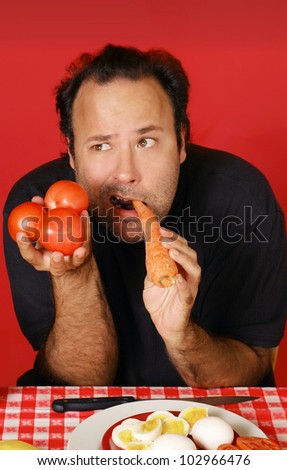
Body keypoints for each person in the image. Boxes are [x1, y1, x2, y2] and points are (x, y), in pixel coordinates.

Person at [3, 44, 287, 387]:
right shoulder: (37, 214)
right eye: (101, 145)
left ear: (181, 141)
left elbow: (253, 374)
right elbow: (77, 382)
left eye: (146, 142)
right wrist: (73, 276)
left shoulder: (242, 199)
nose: (125, 174)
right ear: (73, 154)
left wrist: (182, 336)